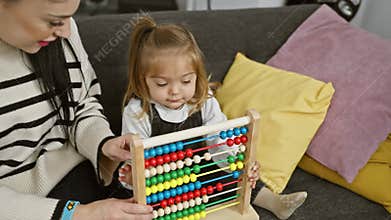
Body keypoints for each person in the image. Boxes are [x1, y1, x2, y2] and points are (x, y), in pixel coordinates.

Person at [119, 15, 307, 220]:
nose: (174, 91)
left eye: (185, 81)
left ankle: (273, 201)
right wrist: (131, 177)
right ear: (142, 80)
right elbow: (134, 160)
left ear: (197, 76)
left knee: (233, 177)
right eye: (162, 84)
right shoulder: (138, 112)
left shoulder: (204, 101)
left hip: (203, 168)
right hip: (165, 182)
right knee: (145, 205)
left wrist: (237, 161)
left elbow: (220, 138)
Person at [0, 0, 153, 219]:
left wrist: (103, 144)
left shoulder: (61, 35)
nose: (67, 31)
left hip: (85, 183)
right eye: (54, 20)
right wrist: (80, 214)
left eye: (70, 17)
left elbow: (82, 104)